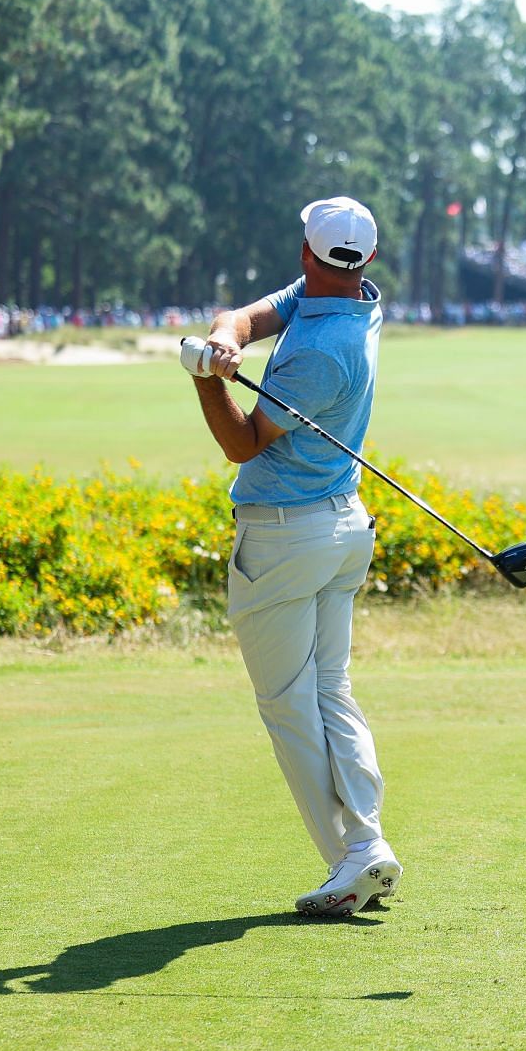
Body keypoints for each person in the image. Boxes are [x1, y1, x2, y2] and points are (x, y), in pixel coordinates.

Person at [184, 195, 400, 917]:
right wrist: (225, 341)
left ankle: (355, 855)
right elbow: (246, 317)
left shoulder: (315, 351)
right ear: (363, 260)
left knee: (288, 704)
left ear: (308, 252)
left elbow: (242, 444)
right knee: (330, 688)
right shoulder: (356, 300)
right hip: (342, 528)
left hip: (286, 536)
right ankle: (367, 843)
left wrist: (201, 379)